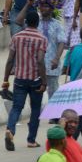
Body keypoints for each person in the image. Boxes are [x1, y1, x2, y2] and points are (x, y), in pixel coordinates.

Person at [3, 10, 49, 150]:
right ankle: (31, 140)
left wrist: (5, 80)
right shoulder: (41, 39)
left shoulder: (17, 37)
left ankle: (10, 130)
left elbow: (10, 59)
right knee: (35, 109)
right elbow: (40, 61)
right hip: (35, 80)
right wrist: (44, 81)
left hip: (20, 79)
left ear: (26, 22)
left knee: (16, 107)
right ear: (38, 23)